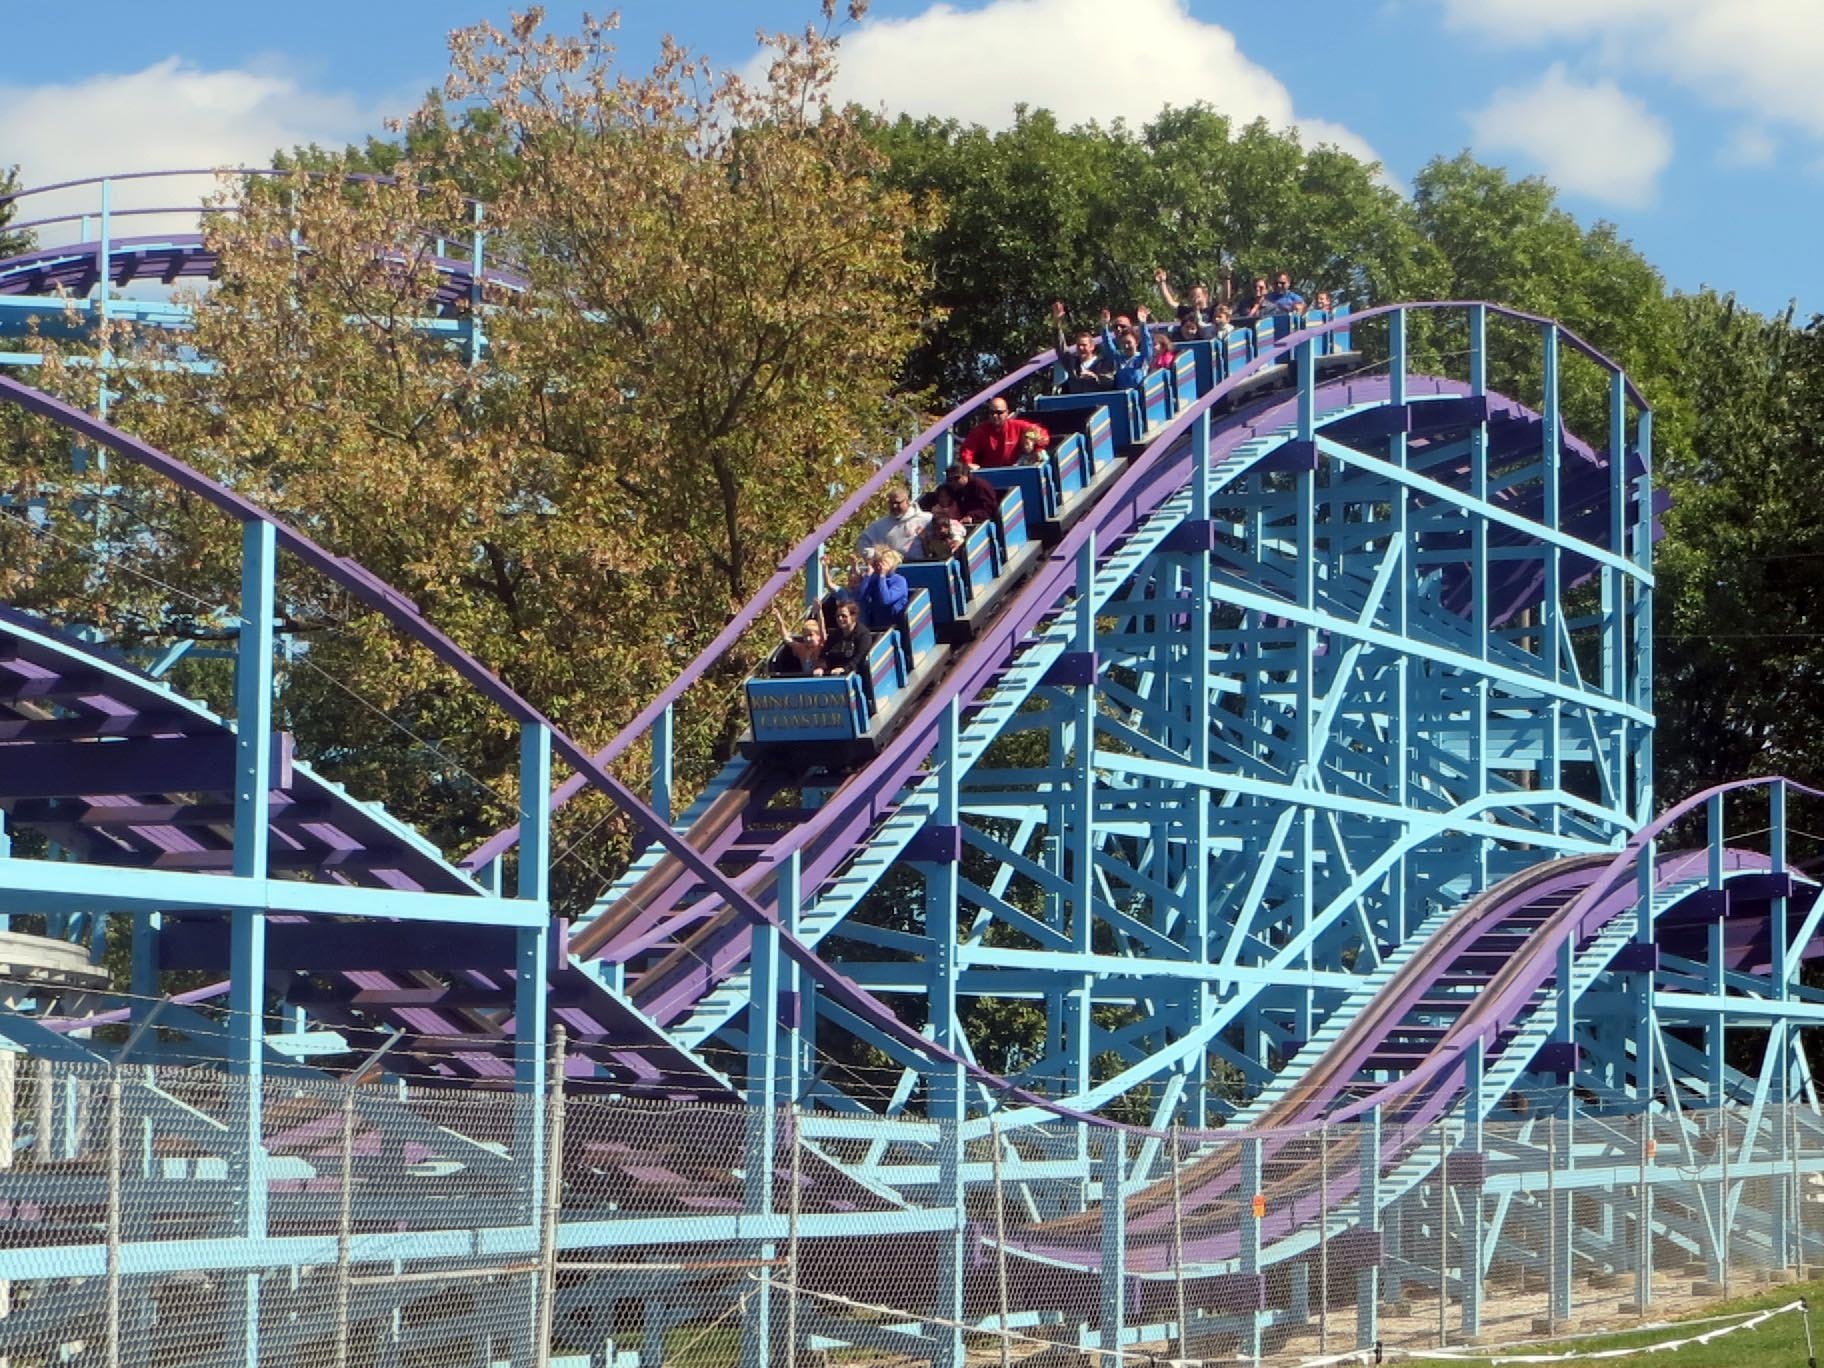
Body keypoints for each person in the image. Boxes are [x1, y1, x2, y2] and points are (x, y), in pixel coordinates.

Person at [959, 400, 1049, 470]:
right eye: (992, 413)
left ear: (1007, 413)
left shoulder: (1017, 426)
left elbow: (1040, 433)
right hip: (989, 474)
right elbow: (967, 450)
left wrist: (1036, 447)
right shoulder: (979, 431)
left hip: (1014, 471)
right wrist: (968, 463)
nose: (995, 416)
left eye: (999, 413)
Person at [1050, 300, 1113, 393]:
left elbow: (1110, 382)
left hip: (1097, 405)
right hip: (1077, 405)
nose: (1080, 348)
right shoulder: (1072, 364)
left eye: (1084, 345)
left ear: (1092, 347)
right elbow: (1060, 347)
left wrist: (1095, 377)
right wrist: (1057, 323)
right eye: (1078, 345)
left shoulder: (1102, 364)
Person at [856, 484, 930, 560]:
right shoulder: (879, 526)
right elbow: (862, 544)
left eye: (898, 503)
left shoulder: (926, 519)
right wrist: (877, 554)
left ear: (907, 501)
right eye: (891, 503)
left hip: (921, 565)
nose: (894, 506)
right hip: (891, 568)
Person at [1099, 305, 1154, 392]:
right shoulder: (1119, 357)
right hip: (1122, 397)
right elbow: (1108, 346)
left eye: (1129, 343)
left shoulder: (1142, 358)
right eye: (1123, 343)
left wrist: (1142, 324)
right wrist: (1104, 326)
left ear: (1136, 342)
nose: (1126, 346)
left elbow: (1147, 343)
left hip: (1140, 396)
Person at [856, 549, 909, 632]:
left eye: (883, 563)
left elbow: (885, 600)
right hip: (876, 623)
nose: (879, 566)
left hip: (894, 625)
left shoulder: (899, 581)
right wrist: (868, 575)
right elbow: (860, 597)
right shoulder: (874, 579)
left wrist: (882, 576)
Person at [939, 460, 1001, 529]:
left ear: (965, 475)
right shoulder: (953, 489)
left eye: (956, 478)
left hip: (983, 525)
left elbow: (990, 508)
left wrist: (972, 516)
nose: (953, 482)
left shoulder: (980, 486)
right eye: (950, 480)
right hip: (959, 524)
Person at [819, 599, 873, 676]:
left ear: (853, 616)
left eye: (844, 616)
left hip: (855, 675)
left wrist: (844, 669)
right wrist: (820, 666)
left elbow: (859, 658)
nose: (840, 619)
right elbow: (824, 653)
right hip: (834, 674)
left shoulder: (863, 635)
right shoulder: (835, 635)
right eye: (838, 616)